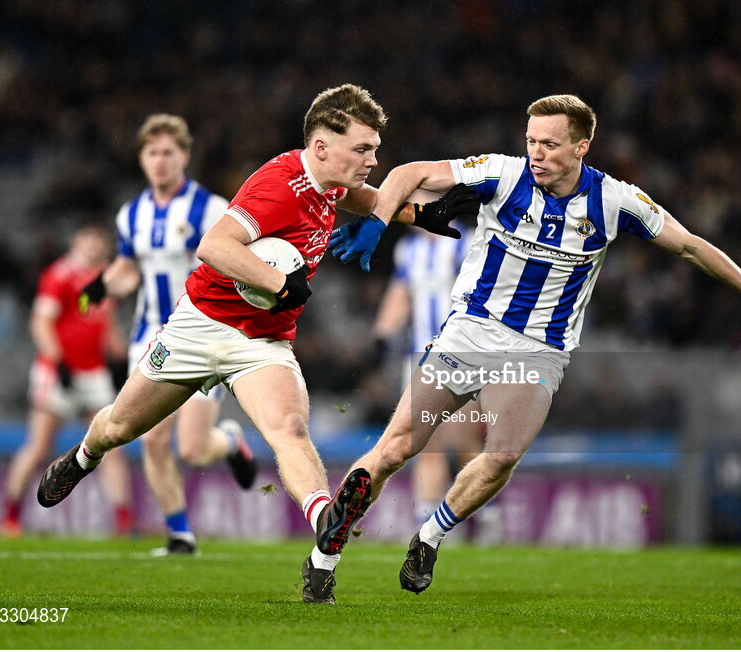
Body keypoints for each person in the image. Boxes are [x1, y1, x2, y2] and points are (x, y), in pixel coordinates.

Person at [322, 94, 741, 594]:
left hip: (539, 349)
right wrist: (378, 222)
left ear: (582, 146)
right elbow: (409, 172)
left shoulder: (615, 200)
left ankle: (429, 536)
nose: (536, 153)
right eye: (532, 141)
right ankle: (324, 557)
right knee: (400, 446)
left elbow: (688, 244)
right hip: (469, 332)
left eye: (550, 144)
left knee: (503, 454)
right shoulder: (502, 173)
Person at [35, 84, 475, 604]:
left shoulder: (331, 181)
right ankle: (82, 458)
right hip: (199, 327)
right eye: (363, 149)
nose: (373, 160)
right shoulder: (279, 185)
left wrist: (418, 215)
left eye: (374, 150)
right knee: (120, 427)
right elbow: (213, 246)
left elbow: (366, 200)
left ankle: (324, 517)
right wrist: (278, 282)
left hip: (263, 342)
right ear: (321, 147)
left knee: (289, 428)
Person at [80, 114, 256, 556]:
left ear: (185, 156)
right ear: (141, 158)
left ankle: (231, 441)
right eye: (152, 153)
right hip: (150, 337)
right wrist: (99, 287)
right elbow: (127, 270)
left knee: (194, 449)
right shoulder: (131, 213)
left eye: (168, 153)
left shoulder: (211, 208)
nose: (160, 161)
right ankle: (180, 535)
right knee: (152, 438)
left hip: (202, 333)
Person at [1, 225, 132, 538]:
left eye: (98, 240)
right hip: (57, 370)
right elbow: (40, 322)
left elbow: (104, 320)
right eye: (87, 238)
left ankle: (124, 520)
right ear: (76, 242)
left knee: (109, 444)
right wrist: (58, 361)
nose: (92, 245)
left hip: (94, 371)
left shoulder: (105, 276)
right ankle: (10, 517)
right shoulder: (58, 275)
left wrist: (121, 358)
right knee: (39, 445)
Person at [373, 224, 497, 537]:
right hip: (420, 358)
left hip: (461, 354)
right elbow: (400, 294)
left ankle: (487, 519)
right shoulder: (409, 248)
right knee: (426, 445)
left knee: (464, 441)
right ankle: (427, 529)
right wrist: (382, 335)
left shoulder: (467, 242)